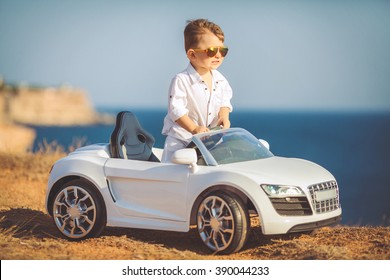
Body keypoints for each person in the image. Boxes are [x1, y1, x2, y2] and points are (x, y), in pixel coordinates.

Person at [161, 18, 233, 162]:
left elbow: (224, 102)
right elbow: (176, 110)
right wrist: (194, 129)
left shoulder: (220, 79)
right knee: (174, 173)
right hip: (181, 141)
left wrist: (224, 117)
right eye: (212, 51)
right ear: (192, 55)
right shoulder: (182, 80)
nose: (218, 55)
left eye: (222, 50)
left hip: (208, 141)